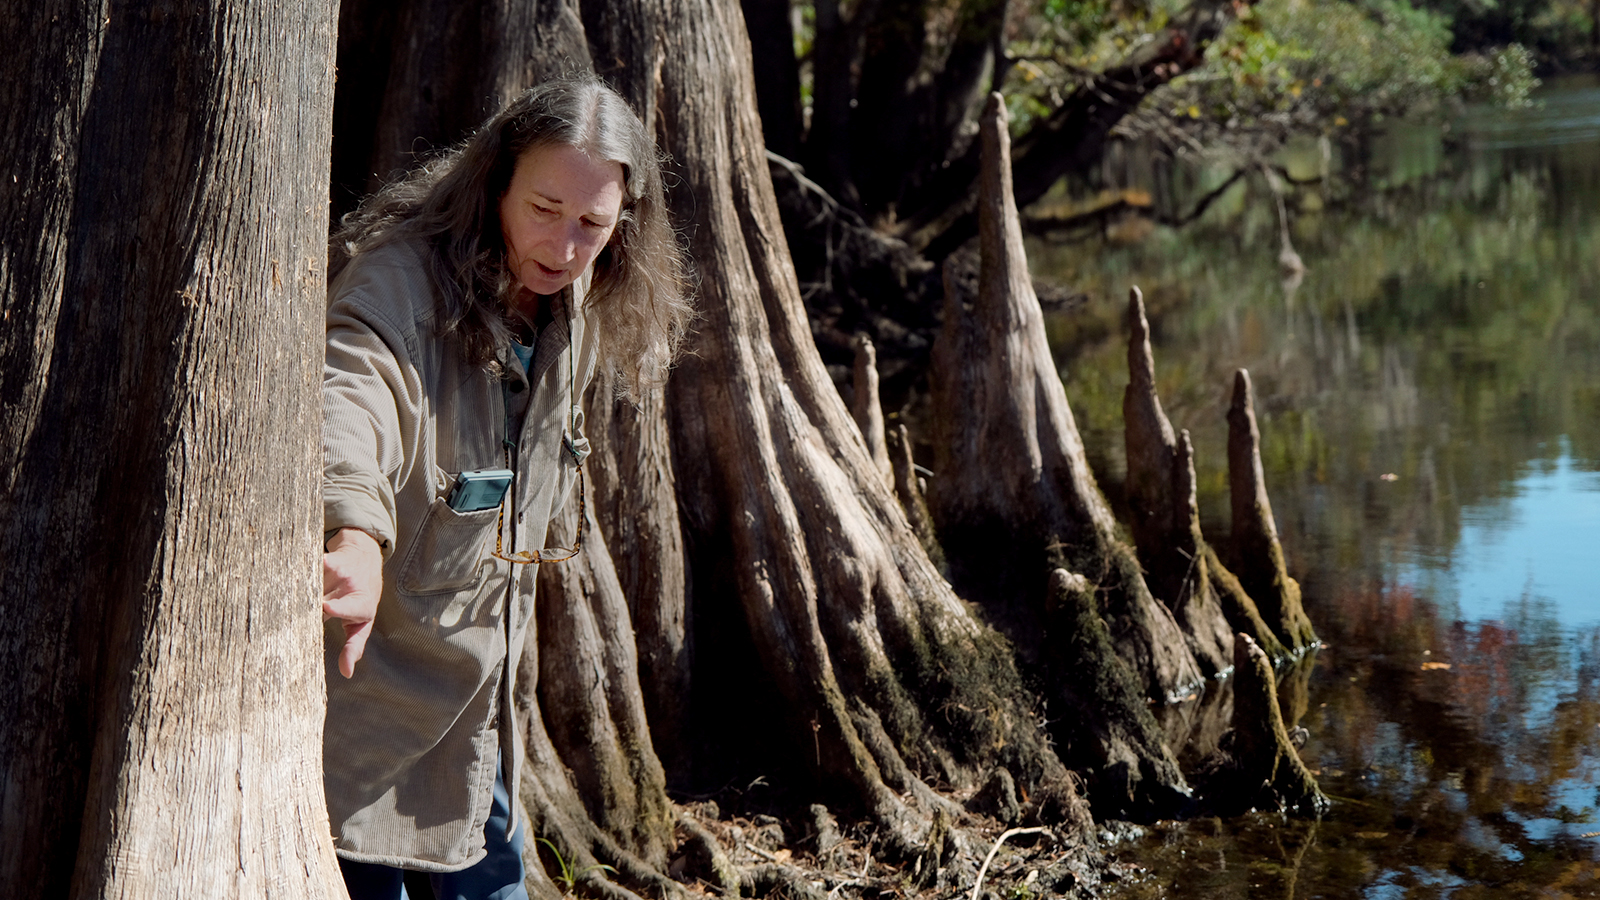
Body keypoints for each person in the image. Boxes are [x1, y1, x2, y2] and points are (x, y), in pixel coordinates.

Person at [319, 75, 691, 900]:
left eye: (592, 224)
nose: (563, 247)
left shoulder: (577, 297)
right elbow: (348, 387)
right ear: (495, 183)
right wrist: (351, 532)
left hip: (480, 718)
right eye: (544, 209)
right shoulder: (398, 285)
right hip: (363, 718)